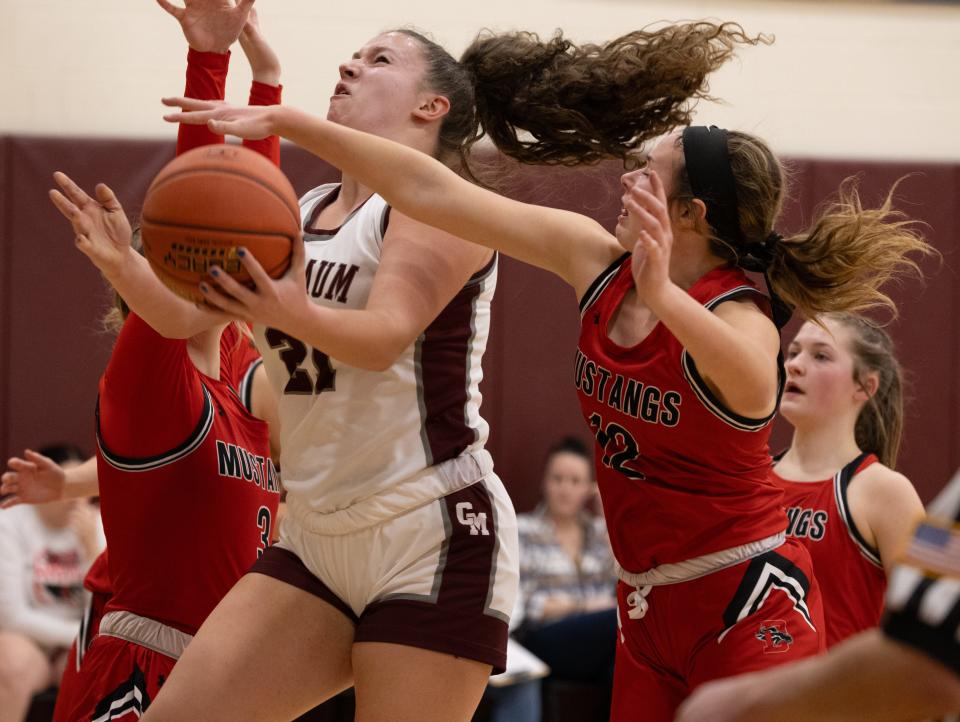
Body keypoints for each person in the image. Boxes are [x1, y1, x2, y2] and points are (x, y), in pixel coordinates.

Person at [163, 28, 933, 717]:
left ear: (691, 214)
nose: (627, 182)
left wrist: (663, 293)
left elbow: (756, 382)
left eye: (648, 174)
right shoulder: (593, 257)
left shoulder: (741, 321)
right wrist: (289, 121)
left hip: (745, 595)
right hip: (643, 607)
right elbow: (433, 189)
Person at [30, 2, 283, 719]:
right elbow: (204, 214)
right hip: (145, 667)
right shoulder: (153, 379)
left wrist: (265, 85)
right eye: (214, 252)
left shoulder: (240, 368)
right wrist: (206, 63)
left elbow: (240, 211)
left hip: (231, 672)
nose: (242, 261)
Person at [675, 466, 960, 722]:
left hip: (826, 700)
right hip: (769, 687)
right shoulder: (750, 478)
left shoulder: (885, 489)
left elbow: (925, 658)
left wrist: (743, 702)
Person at [773, 313, 924, 646]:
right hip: (755, 693)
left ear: (864, 386)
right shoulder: (751, 479)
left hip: (844, 696)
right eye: (793, 351)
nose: (795, 365)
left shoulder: (886, 490)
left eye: (821, 355)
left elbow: (939, 612)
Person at [0, 444, 102, 722]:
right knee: (9, 661)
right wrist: (75, 636)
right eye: (65, 487)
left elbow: (109, 609)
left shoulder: (97, 527)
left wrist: (92, 553)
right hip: (28, 638)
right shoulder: (9, 523)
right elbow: (11, 617)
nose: (72, 499)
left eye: (78, 489)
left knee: (98, 664)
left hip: (81, 637)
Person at [515, 436, 617, 689]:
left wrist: (608, 515)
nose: (565, 489)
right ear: (545, 482)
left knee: (625, 662)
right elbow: (528, 606)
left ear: (589, 488)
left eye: (575, 481)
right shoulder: (523, 530)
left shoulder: (598, 533)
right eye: (557, 479)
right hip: (546, 639)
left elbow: (626, 580)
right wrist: (585, 606)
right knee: (620, 621)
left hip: (597, 642)